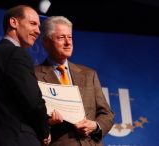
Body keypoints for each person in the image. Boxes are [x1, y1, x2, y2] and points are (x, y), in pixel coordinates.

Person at [35, 16, 114, 146]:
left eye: (70, 37)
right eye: (61, 38)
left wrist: (95, 125)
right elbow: (28, 119)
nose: (68, 42)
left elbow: (106, 113)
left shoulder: (89, 74)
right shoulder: (34, 75)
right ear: (46, 42)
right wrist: (48, 123)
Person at [0, 5, 51, 146]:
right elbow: (34, 102)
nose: (38, 31)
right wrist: (45, 130)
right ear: (14, 23)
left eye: (39, 26)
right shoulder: (16, 54)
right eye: (33, 24)